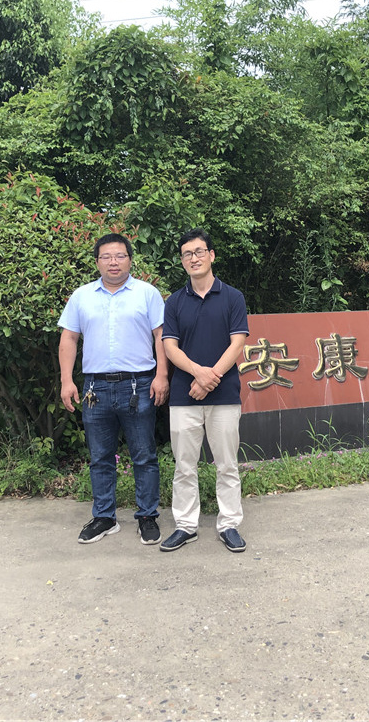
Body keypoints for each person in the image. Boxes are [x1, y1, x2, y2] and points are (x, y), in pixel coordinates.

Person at [58, 233, 170, 547]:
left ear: (130, 259)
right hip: (95, 388)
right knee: (100, 457)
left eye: (120, 256)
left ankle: (147, 516)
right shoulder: (81, 296)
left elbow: (161, 336)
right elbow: (69, 339)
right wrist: (66, 380)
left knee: (144, 455)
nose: (113, 262)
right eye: (106, 256)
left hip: (139, 385)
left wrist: (162, 375)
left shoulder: (147, 293)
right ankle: (105, 517)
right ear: (97, 262)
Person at [160, 229, 250, 553]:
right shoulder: (174, 302)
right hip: (184, 396)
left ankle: (229, 524)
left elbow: (237, 342)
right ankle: (186, 525)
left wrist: (212, 377)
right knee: (184, 465)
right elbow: (170, 346)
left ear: (212, 255)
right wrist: (199, 374)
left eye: (199, 252)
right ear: (182, 261)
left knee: (227, 464)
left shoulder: (233, 297)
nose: (194, 258)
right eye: (187, 254)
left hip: (224, 395)